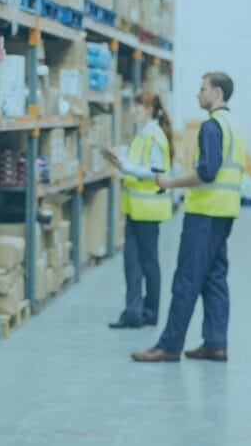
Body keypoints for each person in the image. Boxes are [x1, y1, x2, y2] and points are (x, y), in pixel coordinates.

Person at [131, 72, 246, 363]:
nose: (198, 94)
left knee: (186, 279)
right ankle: (216, 343)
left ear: (217, 93)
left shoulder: (211, 126)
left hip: (204, 214)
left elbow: (207, 173)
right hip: (224, 212)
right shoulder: (234, 125)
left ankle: (169, 345)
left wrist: (170, 182)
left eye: (202, 88)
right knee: (214, 278)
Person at [108, 92, 173, 329]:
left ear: (149, 110)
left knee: (148, 262)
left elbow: (156, 170)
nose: (133, 110)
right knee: (131, 262)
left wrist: (125, 166)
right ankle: (133, 313)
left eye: (138, 106)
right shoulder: (142, 134)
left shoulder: (155, 135)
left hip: (149, 209)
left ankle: (150, 312)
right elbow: (139, 163)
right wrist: (120, 157)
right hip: (135, 208)